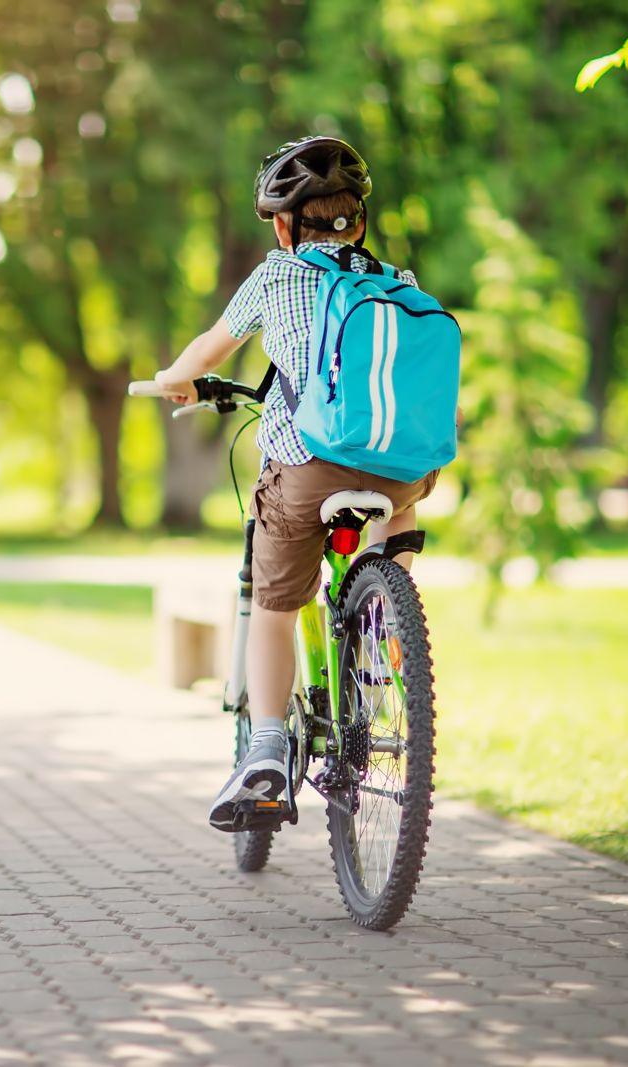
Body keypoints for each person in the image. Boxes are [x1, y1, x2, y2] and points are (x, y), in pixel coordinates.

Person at [151, 138, 439, 829]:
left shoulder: (275, 276)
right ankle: (384, 627)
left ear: (283, 226)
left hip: (308, 469)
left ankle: (268, 748)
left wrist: (174, 381)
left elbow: (205, 352)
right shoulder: (399, 279)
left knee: (276, 604)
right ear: (359, 224)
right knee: (399, 512)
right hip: (404, 468)